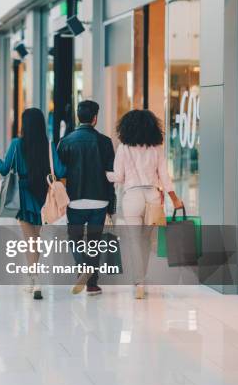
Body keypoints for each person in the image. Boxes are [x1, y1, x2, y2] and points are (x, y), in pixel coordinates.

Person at [0, 108, 65, 300]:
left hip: (23, 198)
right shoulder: (49, 145)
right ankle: (34, 278)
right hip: (43, 196)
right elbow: (60, 169)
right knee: (38, 240)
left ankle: (34, 280)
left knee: (30, 242)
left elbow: (3, 169)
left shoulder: (17, 144)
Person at [106, 109, 184, 299]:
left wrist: (103, 174)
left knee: (134, 241)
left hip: (132, 197)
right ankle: (142, 279)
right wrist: (174, 199)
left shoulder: (124, 148)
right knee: (146, 242)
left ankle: (138, 281)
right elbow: (165, 177)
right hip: (152, 197)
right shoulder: (157, 148)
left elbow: (118, 176)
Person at [57, 100, 115, 296]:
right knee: (94, 241)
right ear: (95, 118)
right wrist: (112, 207)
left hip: (74, 199)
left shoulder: (66, 142)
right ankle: (92, 284)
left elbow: (59, 172)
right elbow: (110, 176)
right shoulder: (105, 142)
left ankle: (82, 267)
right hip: (100, 199)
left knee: (74, 238)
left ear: (78, 116)